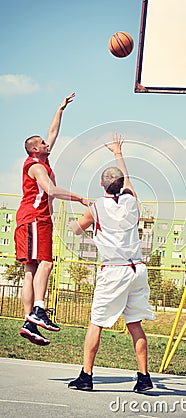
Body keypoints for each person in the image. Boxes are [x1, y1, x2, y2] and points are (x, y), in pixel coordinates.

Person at [68, 133, 155, 393]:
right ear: (121, 185)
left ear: (101, 184)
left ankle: (86, 375)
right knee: (134, 323)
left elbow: (77, 228)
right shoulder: (131, 202)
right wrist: (118, 152)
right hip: (137, 269)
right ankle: (143, 377)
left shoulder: (96, 207)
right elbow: (127, 181)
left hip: (114, 271)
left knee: (96, 322)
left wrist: (73, 224)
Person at [15, 93, 89, 346]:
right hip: (35, 218)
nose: (48, 144)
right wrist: (79, 198)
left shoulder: (41, 159)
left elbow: (53, 131)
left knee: (30, 270)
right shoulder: (36, 166)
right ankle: (38, 310)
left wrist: (60, 109)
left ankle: (29, 323)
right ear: (36, 149)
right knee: (45, 263)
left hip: (29, 219)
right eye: (44, 144)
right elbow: (50, 190)